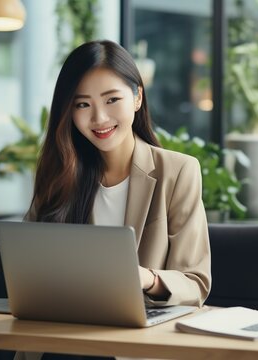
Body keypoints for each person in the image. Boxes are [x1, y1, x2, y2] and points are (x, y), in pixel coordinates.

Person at [16, 40, 211, 360]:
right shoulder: (59, 174)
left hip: (135, 351)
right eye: (82, 104)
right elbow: (27, 273)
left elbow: (195, 284)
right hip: (59, 344)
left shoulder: (177, 172)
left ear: (137, 97)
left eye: (112, 99)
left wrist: (145, 277)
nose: (99, 118)